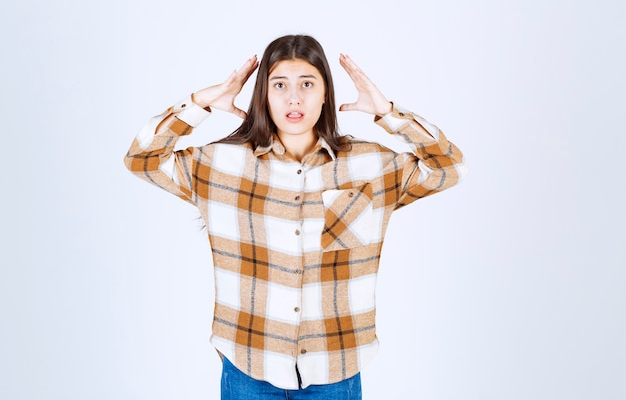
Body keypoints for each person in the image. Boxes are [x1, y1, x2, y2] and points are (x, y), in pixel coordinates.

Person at [124, 34, 466, 400]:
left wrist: (389, 115)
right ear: (264, 95)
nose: (294, 98)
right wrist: (198, 104)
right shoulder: (222, 164)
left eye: (307, 84)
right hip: (247, 370)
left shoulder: (371, 165)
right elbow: (142, 160)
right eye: (279, 85)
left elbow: (448, 167)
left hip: (335, 371)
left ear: (325, 94)